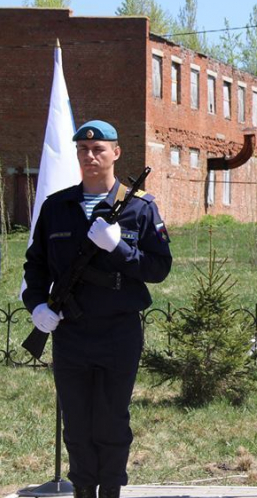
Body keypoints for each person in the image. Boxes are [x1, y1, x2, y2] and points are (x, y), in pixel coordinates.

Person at [23, 120, 172, 498]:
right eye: (83, 150)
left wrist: (118, 248)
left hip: (118, 332)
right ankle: (83, 491)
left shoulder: (139, 208)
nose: (90, 156)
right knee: (75, 421)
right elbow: (35, 265)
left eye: (98, 149)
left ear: (115, 153)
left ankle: (110, 492)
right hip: (71, 332)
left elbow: (159, 268)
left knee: (111, 420)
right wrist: (37, 304)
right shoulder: (57, 207)